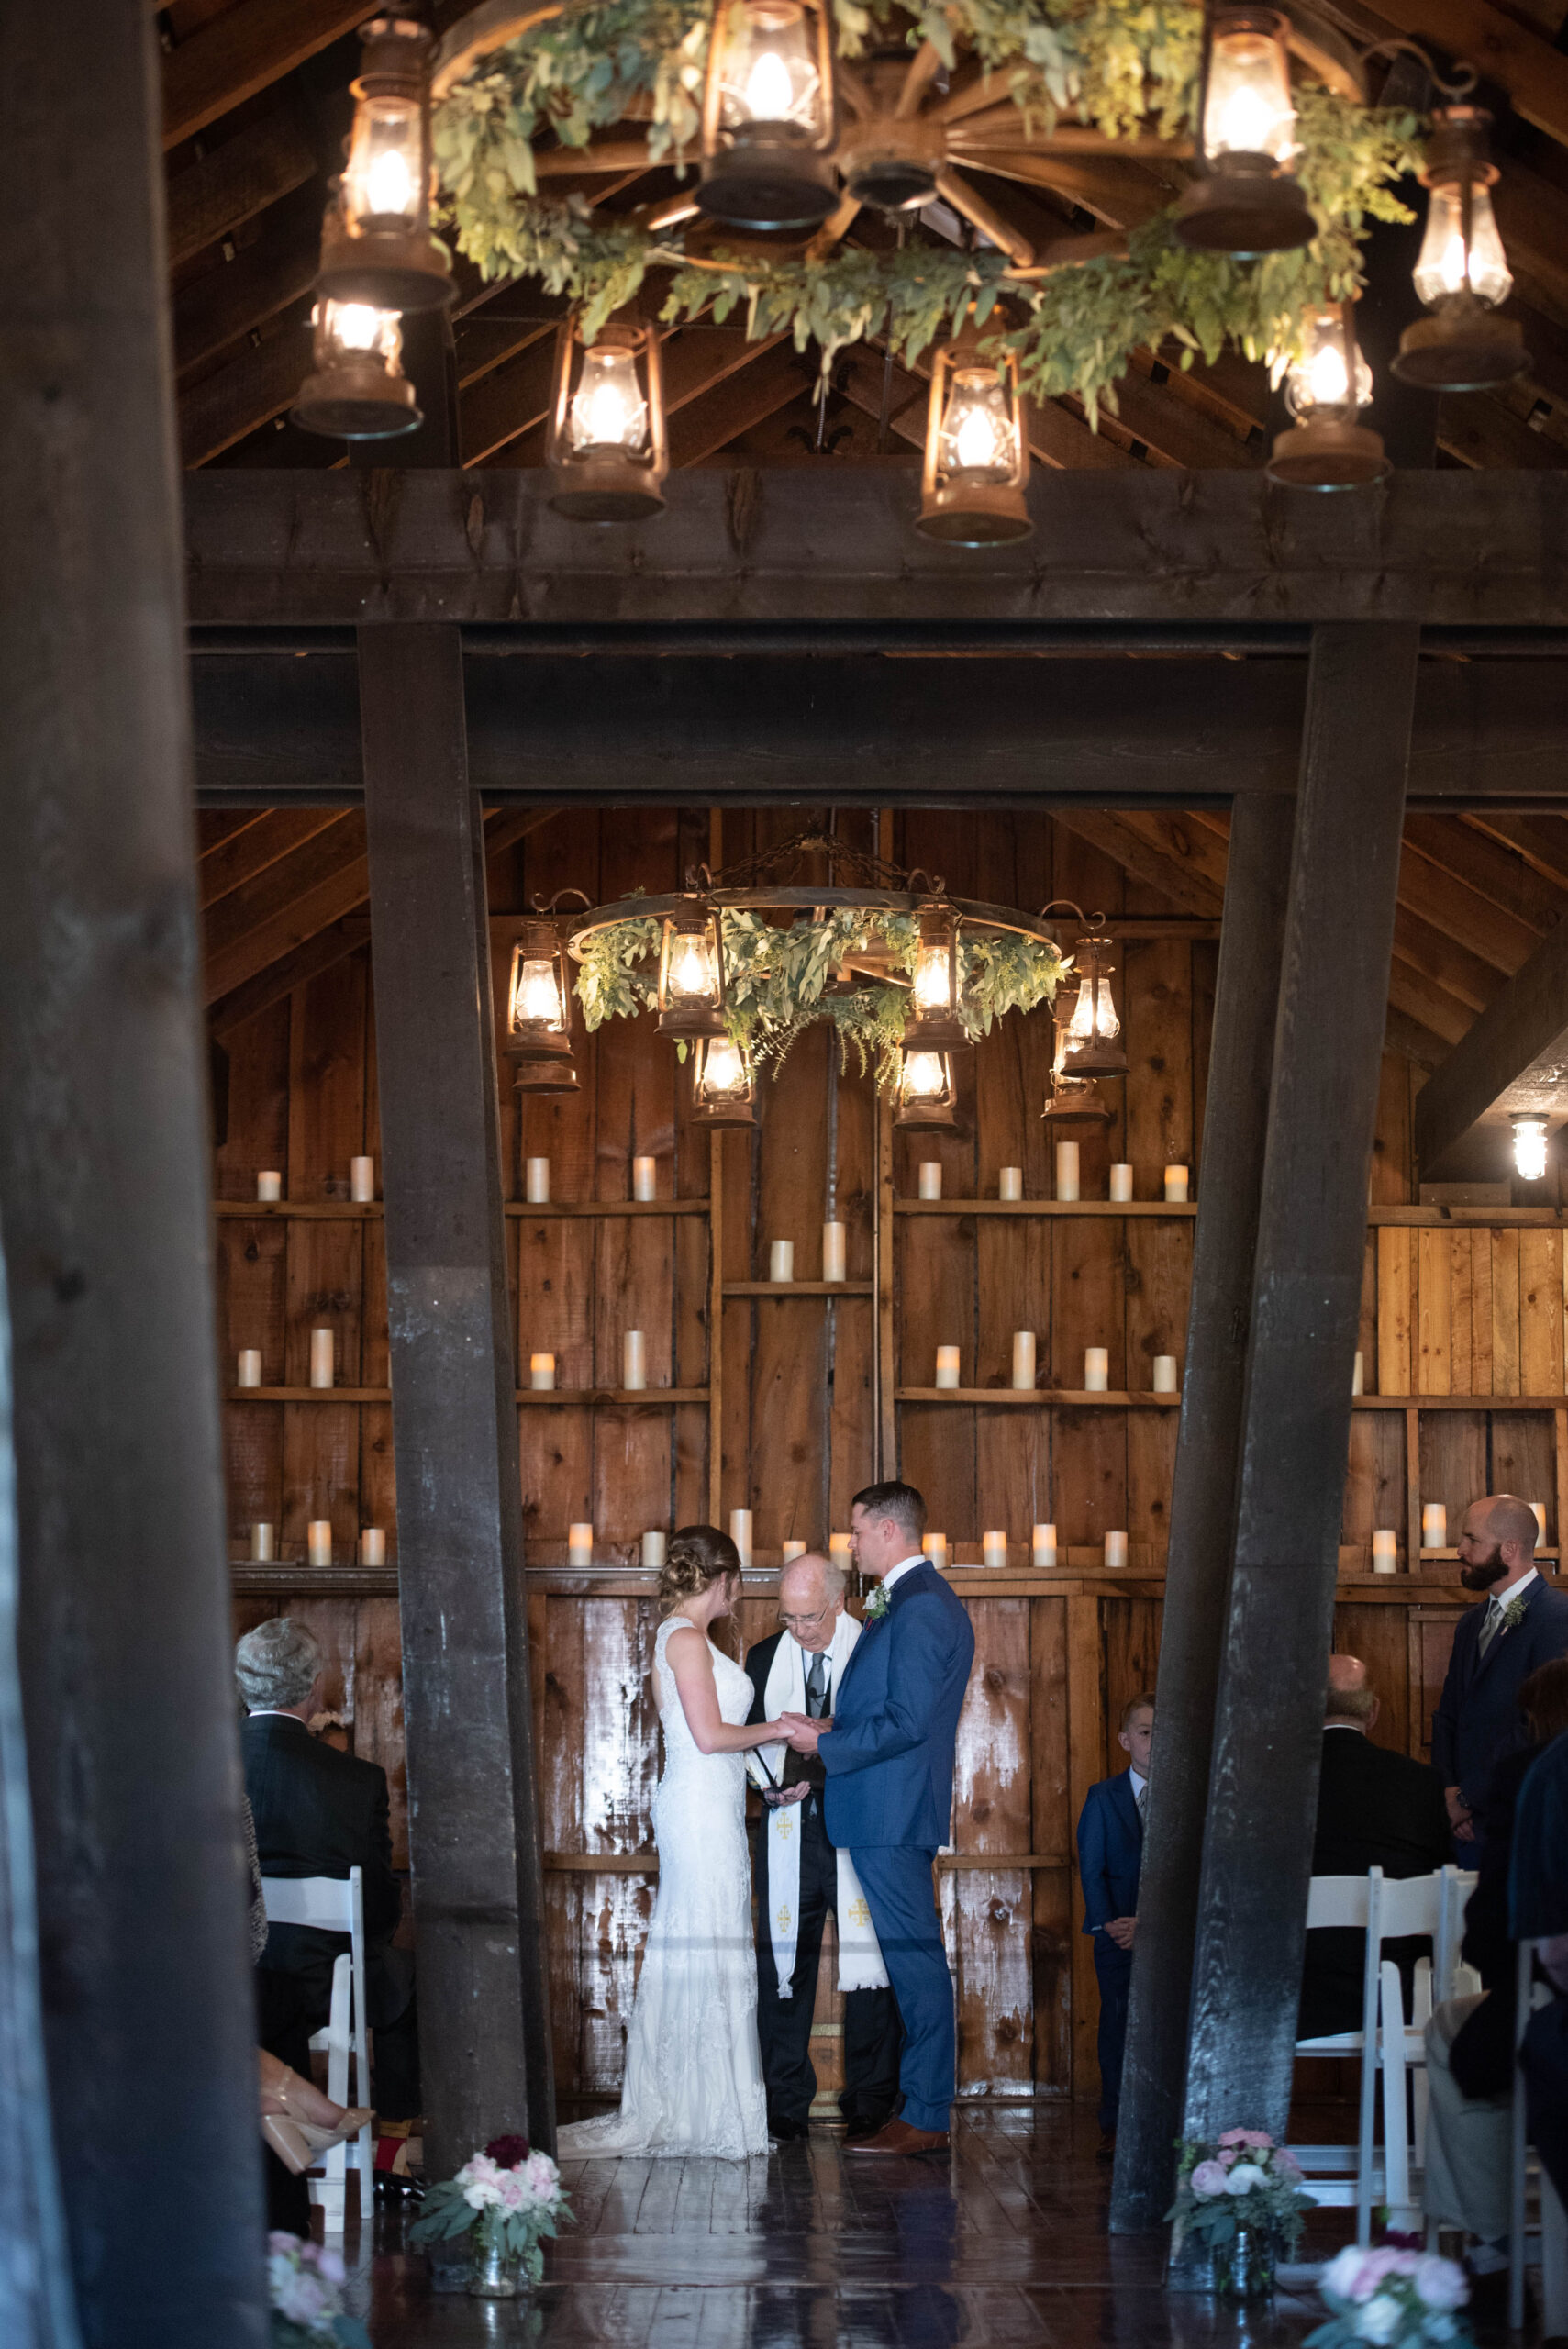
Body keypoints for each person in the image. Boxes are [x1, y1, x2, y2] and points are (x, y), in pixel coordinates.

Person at [558, 1525, 787, 2159]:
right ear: (725, 1579)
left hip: (710, 1800)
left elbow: (711, 1746)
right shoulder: (684, 1640)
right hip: (696, 1809)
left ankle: (707, 2105)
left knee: (711, 1939)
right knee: (702, 1938)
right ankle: (696, 2109)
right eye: (737, 1583)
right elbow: (710, 1737)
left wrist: (765, 1785)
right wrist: (782, 1727)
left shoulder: (693, 1640)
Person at [780, 1481, 975, 2159]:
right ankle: (920, 2108)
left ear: (888, 1531)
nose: (852, 1544)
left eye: (857, 1533)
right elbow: (891, 1713)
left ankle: (925, 2113)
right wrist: (833, 1726)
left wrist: (823, 1748)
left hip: (890, 1813)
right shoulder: (911, 1603)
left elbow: (910, 1722)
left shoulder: (920, 1609)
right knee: (908, 1962)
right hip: (882, 1808)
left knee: (916, 1965)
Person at [239, 1618, 418, 2163]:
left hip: (222, 1986)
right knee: (407, 1981)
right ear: (315, 1686)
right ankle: (389, 2151)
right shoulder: (356, 1780)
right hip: (320, 1983)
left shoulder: (193, 1766)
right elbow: (379, 1905)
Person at [744, 1551, 902, 2142]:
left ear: (838, 1603)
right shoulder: (763, 1659)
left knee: (872, 1967)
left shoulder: (872, 1650)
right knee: (784, 1964)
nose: (798, 1630)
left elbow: (890, 1735)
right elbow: (746, 1742)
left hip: (862, 1827)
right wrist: (768, 1784)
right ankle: (785, 2101)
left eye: (809, 1617)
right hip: (787, 1832)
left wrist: (821, 1769)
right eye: (787, 1618)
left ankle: (869, 2098)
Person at [1424, 1660, 1568, 2305]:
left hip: (1543, 1999)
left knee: (1451, 2040)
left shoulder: (1525, 1778)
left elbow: (1495, 1925)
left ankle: (1489, 2236)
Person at [1296, 1655, 1451, 2040]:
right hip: (1397, 1991)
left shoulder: (1267, 1787)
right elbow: (1440, 1881)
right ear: (1374, 1712)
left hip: (1292, 1991)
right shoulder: (1423, 1783)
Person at [1431, 1494, 1568, 1850]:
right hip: (1461, 1820)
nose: (1459, 1549)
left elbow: (1540, 1724)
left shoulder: (1556, 1618)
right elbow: (1449, 1714)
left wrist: (1469, 1798)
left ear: (1509, 1549)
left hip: (1519, 1818)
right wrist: (1449, 1791)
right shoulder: (1471, 1622)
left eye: (1471, 1540)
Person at [1076, 1691, 1153, 2156]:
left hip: (1170, 1936)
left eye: (1164, 1733)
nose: (1155, 1742)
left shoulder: (1190, 1795)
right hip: (1118, 1937)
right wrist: (1113, 1926)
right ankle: (1117, 2123)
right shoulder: (1103, 1797)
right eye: (1146, 1733)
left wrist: (1156, 1924)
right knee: (1119, 2025)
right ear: (1126, 1739)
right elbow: (1092, 1868)